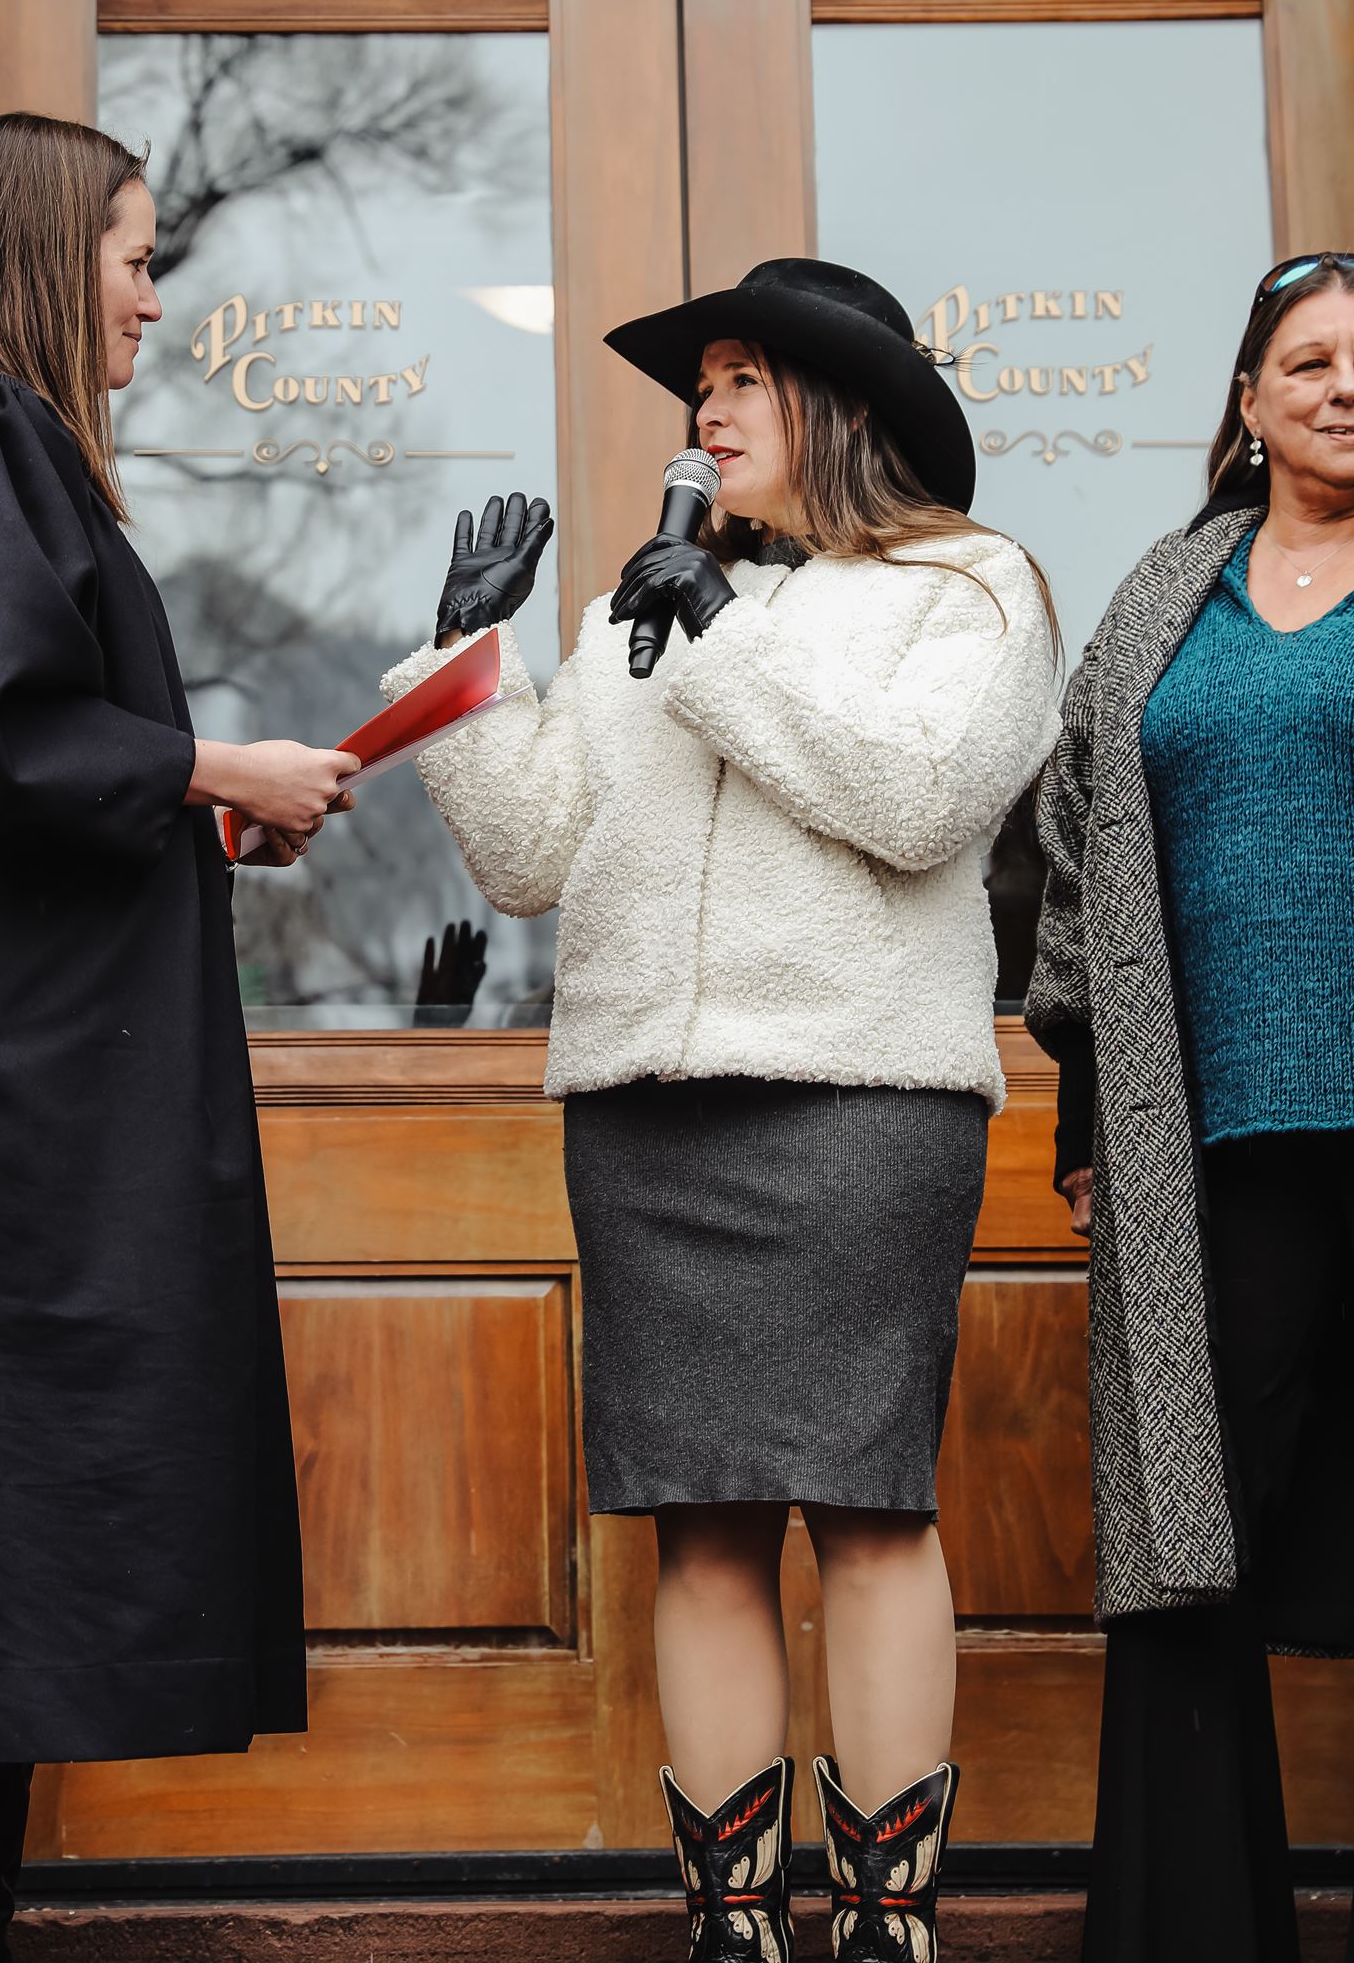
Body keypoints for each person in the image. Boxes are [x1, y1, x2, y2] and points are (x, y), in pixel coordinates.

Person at [381, 258, 1061, 1960]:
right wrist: (474, 655)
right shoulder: (648, 608)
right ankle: (733, 1932)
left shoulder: (970, 588)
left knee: (869, 1508)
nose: (709, 408)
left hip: (855, 1103)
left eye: (747, 379)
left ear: (840, 410)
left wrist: (716, 640)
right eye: (706, 385)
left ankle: (885, 1929)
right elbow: (532, 861)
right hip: (643, 1112)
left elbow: (915, 807)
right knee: (697, 1523)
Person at [0, 115, 359, 1962]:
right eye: (131, 252)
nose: (152, 294)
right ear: (43, 256)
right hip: (16, 1126)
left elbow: (15, 779)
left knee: (9, 1542)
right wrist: (209, 761)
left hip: (31, 1086)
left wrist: (193, 813)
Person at [1028, 253, 1354, 1963]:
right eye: (1304, 362)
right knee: (1188, 1531)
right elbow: (1073, 858)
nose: (1339, 387)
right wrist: (1087, 1111)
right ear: (1245, 402)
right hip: (1207, 1142)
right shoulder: (1164, 595)